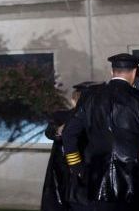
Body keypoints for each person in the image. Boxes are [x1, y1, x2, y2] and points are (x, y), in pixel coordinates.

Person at [61, 53, 139, 210]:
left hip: (96, 181)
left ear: (112, 72)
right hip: (135, 183)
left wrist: (77, 166)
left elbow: (68, 133)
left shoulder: (89, 97)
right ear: (134, 72)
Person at [41, 81, 100, 211]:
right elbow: (50, 132)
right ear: (73, 100)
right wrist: (58, 131)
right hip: (62, 169)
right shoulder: (61, 116)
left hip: (82, 169)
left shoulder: (97, 118)